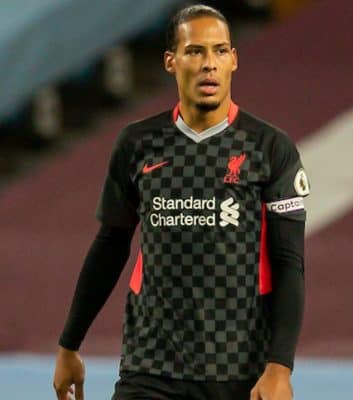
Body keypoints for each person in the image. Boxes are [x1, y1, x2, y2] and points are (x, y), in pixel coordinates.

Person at [53, 4, 309, 400]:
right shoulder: (138, 144)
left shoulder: (269, 149)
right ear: (171, 62)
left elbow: (289, 264)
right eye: (195, 52)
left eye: (220, 51)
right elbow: (110, 245)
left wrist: (279, 367)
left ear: (234, 61)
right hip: (149, 370)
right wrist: (70, 344)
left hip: (238, 373)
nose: (210, 64)